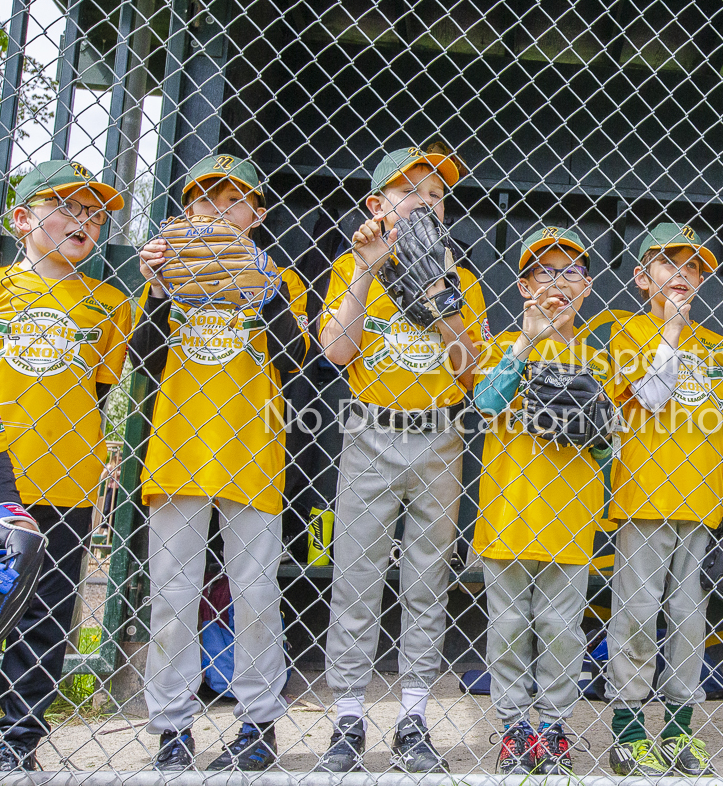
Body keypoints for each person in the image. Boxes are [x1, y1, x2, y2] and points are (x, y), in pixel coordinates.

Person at [132, 154, 308, 771]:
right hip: (177, 453)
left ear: (256, 215)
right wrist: (157, 291)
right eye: (205, 200)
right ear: (186, 212)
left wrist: (258, 291)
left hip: (251, 453)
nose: (217, 211)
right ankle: (173, 729)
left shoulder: (277, 277)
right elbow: (146, 362)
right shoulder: (167, 278)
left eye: (233, 200)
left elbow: (295, 359)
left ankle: (258, 724)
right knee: (172, 599)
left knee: (256, 594)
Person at [317, 143, 485, 773]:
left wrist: (441, 297)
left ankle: (413, 715)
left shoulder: (461, 278)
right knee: (356, 579)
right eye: (409, 189)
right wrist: (367, 269)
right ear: (376, 203)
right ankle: (348, 718)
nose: (425, 200)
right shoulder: (348, 264)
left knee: (425, 581)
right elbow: (337, 351)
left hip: (440, 436)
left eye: (437, 194)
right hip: (369, 431)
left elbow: (470, 372)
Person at [0, 160, 132, 770]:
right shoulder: (4, 291)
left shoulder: (108, 303)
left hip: (65, 481)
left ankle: (16, 740)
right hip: (6, 469)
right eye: (68, 207)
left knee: (45, 613)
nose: (85, 220)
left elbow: (100, 392)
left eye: (94, 213)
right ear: (22, 218)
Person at [603, 223, 723, 777]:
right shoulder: (627, 333)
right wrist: (670, 330)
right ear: (643, 278)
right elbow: (654, 393)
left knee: (689, 622)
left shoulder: (716, 347)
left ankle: (682, 733)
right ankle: (630, 732)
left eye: (692, 266)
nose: (682, 274)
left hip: (703, 506)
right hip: (644, 500)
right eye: (669, 264)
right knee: (637, 618)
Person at [472, 227, 613, 775]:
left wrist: (594, 425)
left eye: (571, 272)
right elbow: (485, 402)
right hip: (507, 515)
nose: (558, 282)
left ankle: (552, 727)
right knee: (507, 629)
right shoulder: (503, 344)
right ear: (525, 285)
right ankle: (513, 728)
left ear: (588, 286)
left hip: (569, 520)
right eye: (544, 273)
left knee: (560, 630)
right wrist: (528, 343)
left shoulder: (596, 356)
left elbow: (606, 445)